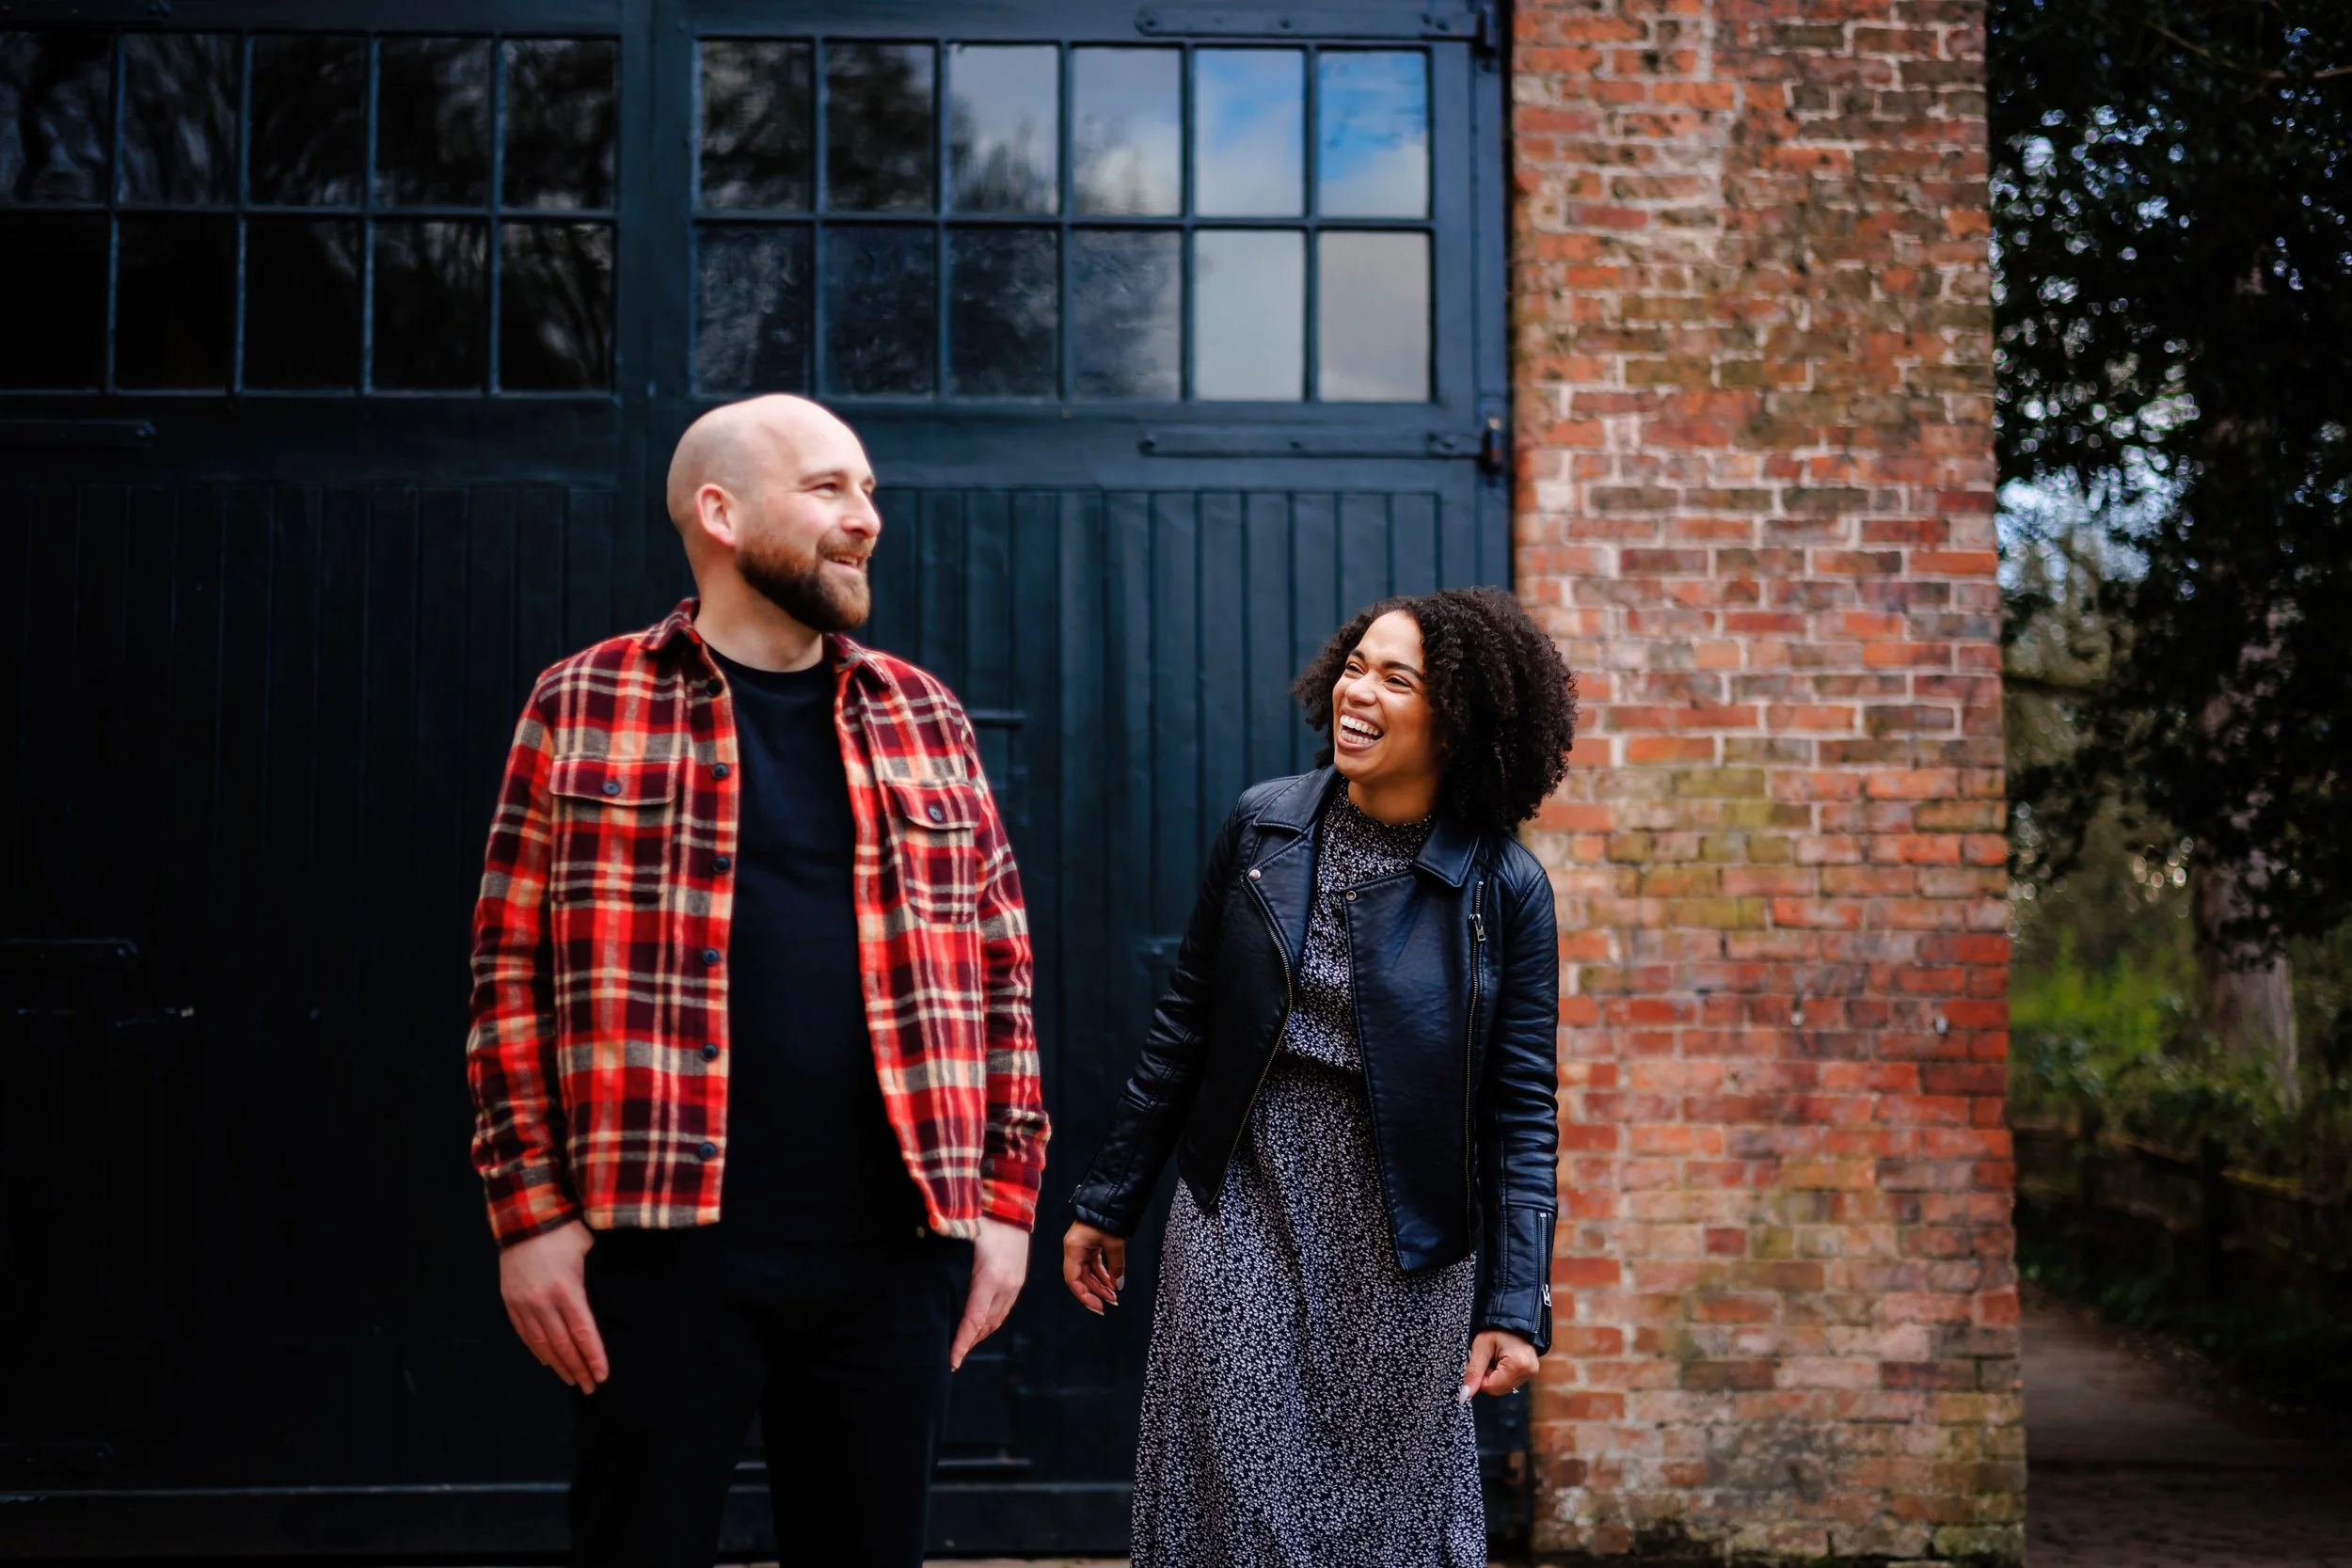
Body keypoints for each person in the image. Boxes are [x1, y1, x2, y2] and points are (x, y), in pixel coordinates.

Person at [465, 394, 1049, 1568]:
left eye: (870, 489)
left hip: (894, 1242)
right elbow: (506, 969)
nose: (866, 517)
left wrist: (1006, 1200)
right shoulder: (581, 701)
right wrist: (526, 1214)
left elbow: (1001, 967)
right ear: (720, 512)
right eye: (829, 487)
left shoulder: (923, 712)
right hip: (658, 1243)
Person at [1062, 588, 1572, 1568]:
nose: (1357, 690)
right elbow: (1186, 1022)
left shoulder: (1503, 890)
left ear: (1460, 718)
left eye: (1396, 676)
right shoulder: (1265, 828)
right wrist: (1109, 1196)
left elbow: (1519, 1112)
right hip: (1244, 1200)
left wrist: (1515, 1302)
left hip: (1407, 1240)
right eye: (1354, 664)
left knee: (1380, 1517)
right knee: (1240, 1497)